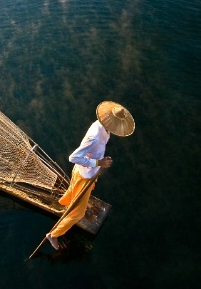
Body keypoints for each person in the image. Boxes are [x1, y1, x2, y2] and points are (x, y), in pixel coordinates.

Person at [46, 101, 135, 250]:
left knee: (72, 190)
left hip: (81, 172)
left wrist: (98, 163)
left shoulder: (104, 127)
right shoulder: (94, 136)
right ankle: (54, 234)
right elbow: (73, 157)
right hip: (85, 175)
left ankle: (62, 203)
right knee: (79, 213)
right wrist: (99, 162)